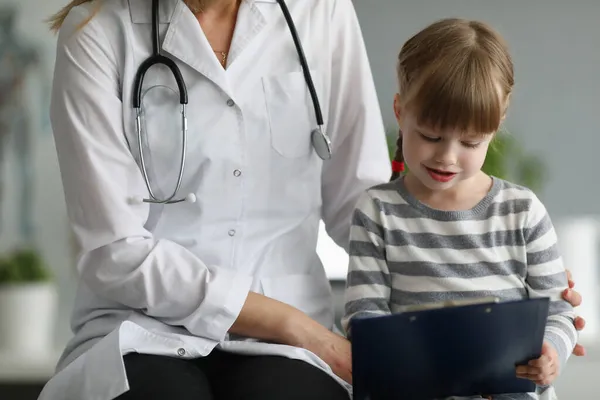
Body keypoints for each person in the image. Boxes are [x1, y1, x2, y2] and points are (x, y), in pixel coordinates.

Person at [39, 0, 585, 399]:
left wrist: (484, 290)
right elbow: (114, 249)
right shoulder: (98, 33)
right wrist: (303, 330)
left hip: (291, 334)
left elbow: (363, 210)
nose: (450, 151)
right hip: (146, 323)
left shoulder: (319, 12)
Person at [342, 18, 580, 400]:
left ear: (496, 127)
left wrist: (551, 352)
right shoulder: (377, 210)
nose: (447, 157)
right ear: (400, 113)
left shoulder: (522, 211)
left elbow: (559, 312)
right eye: (430, 136)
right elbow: (364, 316)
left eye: (470, 142)